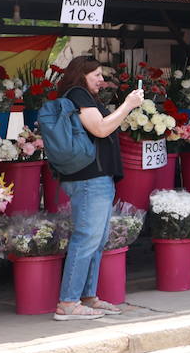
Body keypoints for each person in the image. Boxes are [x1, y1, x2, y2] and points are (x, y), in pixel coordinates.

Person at [54, 56, 145, 320]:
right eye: (96, 74)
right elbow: (101, 128)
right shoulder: (79, 94)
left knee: (97, 240)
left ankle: (87, 297)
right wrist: (128, 105)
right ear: (82, 75)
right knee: (87, 239)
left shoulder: (83, 96)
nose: (101, 80)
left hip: (96, 178)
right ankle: (68, 303)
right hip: (89, 179)